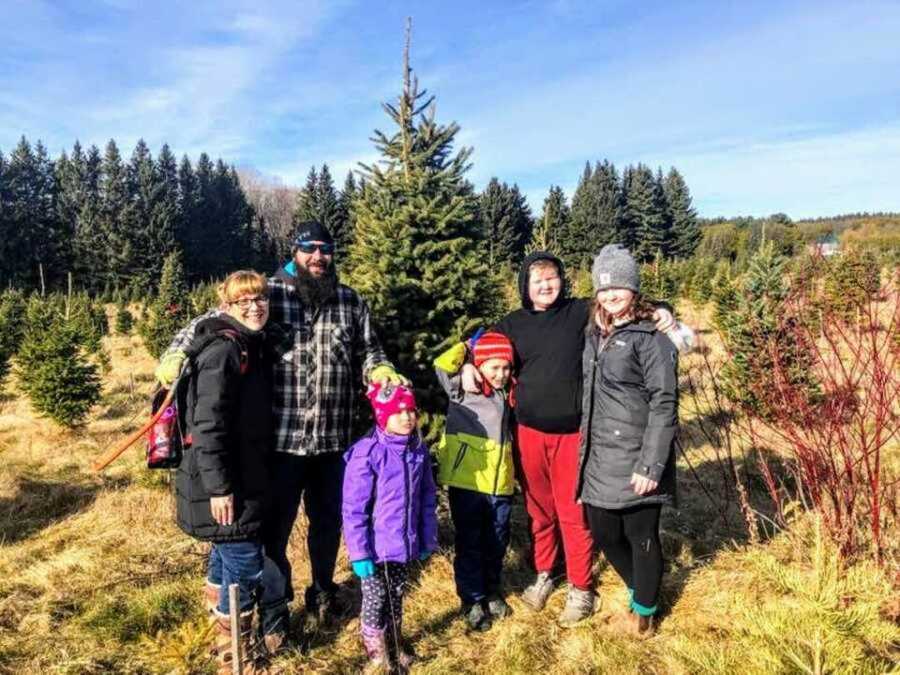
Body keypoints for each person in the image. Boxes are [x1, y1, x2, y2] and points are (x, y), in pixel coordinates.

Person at [157, 221, 405, 650]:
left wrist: (379, 369)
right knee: (274, 531)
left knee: (328, 523)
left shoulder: (349, 301)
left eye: (325, 250)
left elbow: (371, 351)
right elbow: (212, 320)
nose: (318, 257)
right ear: (295, 251)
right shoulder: (270, 293)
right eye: (310, 249)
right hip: (281, 443)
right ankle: (275, 611)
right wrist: (178, 350)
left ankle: (323, 590)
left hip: (333, 441)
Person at [462, 251, 678, 627]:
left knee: (573, 512)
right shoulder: (513, 323)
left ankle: (581, 586)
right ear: (524, 287)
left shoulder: (580, 312)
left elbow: (621, 301)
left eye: (552, 278)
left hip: (574, 434)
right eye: (537, 280)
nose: (546, 285)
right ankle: (546, 571)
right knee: (539, 510)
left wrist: (664, 309)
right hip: (528, 432)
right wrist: (466, 362)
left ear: (562, 281)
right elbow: (478, 341)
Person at [172, 270, 274, 673]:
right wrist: (219, 488)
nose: (254, 307)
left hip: (241, 476)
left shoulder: (248, 344)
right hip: (226, 482)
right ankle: (238, 655)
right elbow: (208, 425)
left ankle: (221, 642)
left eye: (260, 299)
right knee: (245, 564)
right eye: (243, 301)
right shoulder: (225, 350)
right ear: (226, 306)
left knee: (223, 556)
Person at [576, 244, 679, 637]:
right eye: (603, 288)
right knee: (603, 531)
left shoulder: (651, 335)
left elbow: (664, 399)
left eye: (618, 286)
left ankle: (645, 609)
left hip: (637, 452)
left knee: (641, 535)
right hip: (599, 452)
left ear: (633, 288)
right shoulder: (593, 330)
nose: (610, 295)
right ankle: (641, 583)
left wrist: (651, 464)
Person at [342, 382, 438, 673]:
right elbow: (354, 508)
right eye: (399, 412)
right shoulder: (368, 453)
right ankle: (376, 653)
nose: (407, 417)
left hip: (403, 545)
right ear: (383, 416)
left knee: (396, 593)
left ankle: (396, 643)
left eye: (411, 411)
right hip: (374, 549)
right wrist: (359, 553)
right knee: (376, 597)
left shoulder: (417, 451)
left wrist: (426, 539)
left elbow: (426, 499)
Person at [433, 331, 516, 632]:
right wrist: (468, 352)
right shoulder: (462, 387)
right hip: (468, 482)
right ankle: (472, 599)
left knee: (497, 539)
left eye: (506, 368)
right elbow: (442, 364)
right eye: (494, 367)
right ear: (481, 365)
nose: (501, 374)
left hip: (501, 483)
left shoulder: (507, 392)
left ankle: (492, 590)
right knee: (469, 541)